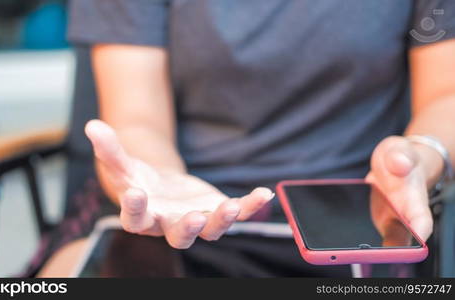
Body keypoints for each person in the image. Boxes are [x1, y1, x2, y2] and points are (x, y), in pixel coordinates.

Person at [38, 0, 455, 277]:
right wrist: (156, 177)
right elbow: (137, 118)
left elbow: (445, 95)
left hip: (355, 213)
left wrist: (424, 153)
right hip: (176, 205)